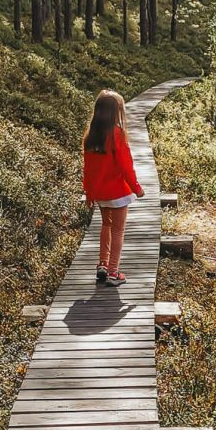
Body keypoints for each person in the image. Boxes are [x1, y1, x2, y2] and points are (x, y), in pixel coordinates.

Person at [81, 89, 144, 287]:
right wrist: (137, 188)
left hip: (100, 192)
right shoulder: (117, 134)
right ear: (115, 112)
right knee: (118, 230)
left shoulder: (91, 136)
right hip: (118, 192)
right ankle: (114, 272)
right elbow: (126, 166)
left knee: (106, 226)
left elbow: (88, 169)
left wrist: (89, 192)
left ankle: (102, 265)